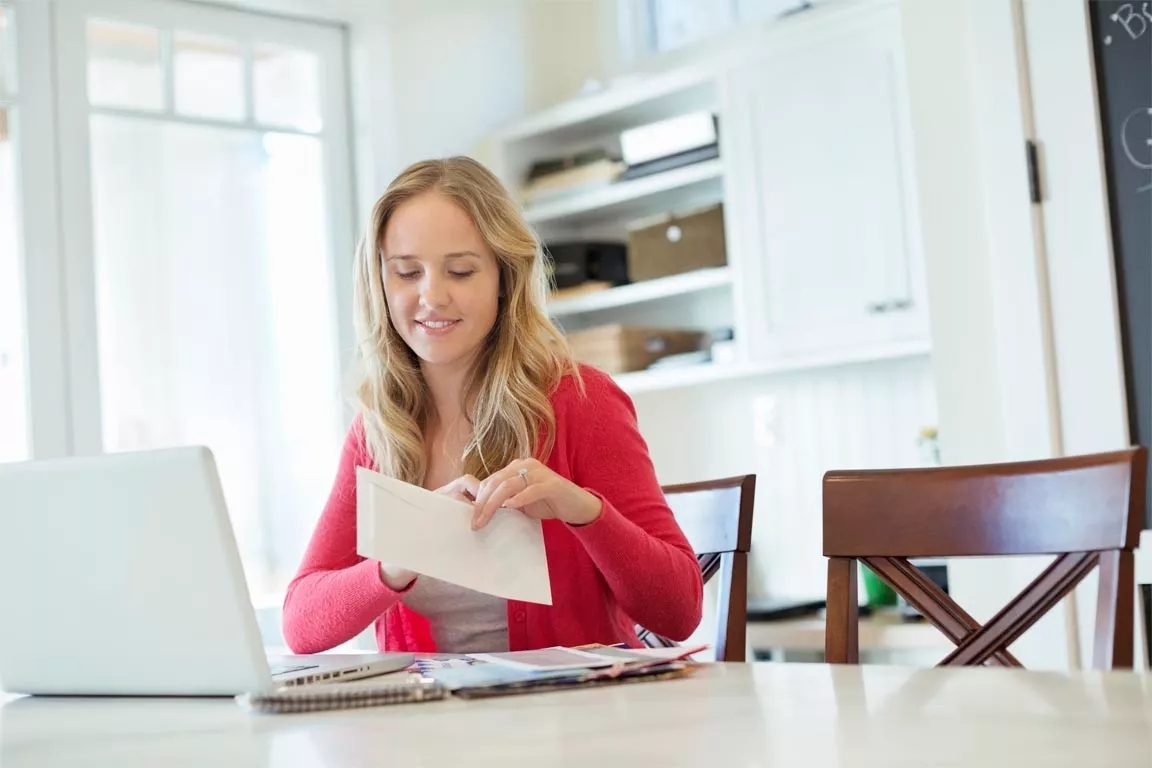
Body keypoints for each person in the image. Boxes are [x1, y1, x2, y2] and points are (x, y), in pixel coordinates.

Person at [281, 156, 704, 655]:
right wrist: (397, 562)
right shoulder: (377, 431)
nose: (431, 295)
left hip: (576, 723)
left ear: (505, 278)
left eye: (460, 271)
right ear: (379, 285)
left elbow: (679, 611)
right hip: (427, 726)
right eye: (407, 272)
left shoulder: (579, 402)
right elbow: (300, 624)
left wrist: (581, 509)